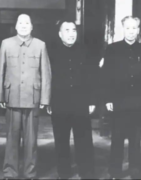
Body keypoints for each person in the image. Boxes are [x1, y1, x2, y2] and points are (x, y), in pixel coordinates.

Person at [0, 14, 52, 180]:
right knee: (11, 139)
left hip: (32, 99)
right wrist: (0, 97)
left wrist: (44, 99)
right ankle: (10, 173)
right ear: (16, 26)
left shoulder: (40, 45)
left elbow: (46, 74)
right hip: (12, 98)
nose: (24, 26)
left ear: (32, 26)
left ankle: (30, 173)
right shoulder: (6, 44)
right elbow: (0, 71)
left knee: (31, 141)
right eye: (21, 23)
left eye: (27, 23)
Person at [48, 19, 96, 179]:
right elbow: (47, 78)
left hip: (81, 103)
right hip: (59, 103)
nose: (71, 34)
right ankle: (64, 172)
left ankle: (86, 171)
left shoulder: (85, 51)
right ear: (60, 34)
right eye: (67, 30)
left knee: (84, 139)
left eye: (74, 30)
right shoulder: (51, 53)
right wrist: (48, 100)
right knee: (61, 140)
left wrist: (92, 100)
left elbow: (92, 78)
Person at [101, 16, 141, 179]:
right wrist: (108, 99)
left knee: (136, 137)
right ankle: (115, 170)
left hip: (138, 100)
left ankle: (135, 169)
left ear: (138, 30)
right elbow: (106, 76)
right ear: (122, 29)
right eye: (128, 28)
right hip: (119, 100)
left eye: (134, 28)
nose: (131, 31)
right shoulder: (112, 49)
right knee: (117, 136)